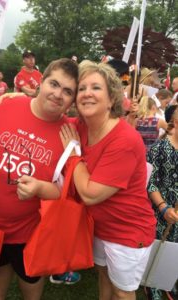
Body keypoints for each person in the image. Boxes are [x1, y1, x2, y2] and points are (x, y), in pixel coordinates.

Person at [0, 58, 79, 300]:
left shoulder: (69, 134)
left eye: (68, 91)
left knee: (31, 285)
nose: (58, 94)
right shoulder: (5, 107)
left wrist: (39, 188)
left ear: (72, 101)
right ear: (41, 82)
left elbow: (65, 192)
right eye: (54, 84)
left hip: (31, 233)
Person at [59, 60, 156, 300]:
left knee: (123, 292)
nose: (87, 93)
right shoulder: (81, 126)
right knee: (104, 277)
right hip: (99, 228)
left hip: (127, 232)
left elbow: (91, 194)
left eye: (96, 87)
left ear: (112, 98)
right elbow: (48, 115)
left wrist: (74, 157)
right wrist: (16, 99)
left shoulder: (125, 139)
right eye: (81, 88)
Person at [146, 105, 178, 300]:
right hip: (160, 208)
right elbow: (150, 182)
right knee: (158, 243)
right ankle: (152, 284)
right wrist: (163, 206)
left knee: (175, 246)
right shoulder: (160, 147)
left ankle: (167, 279)